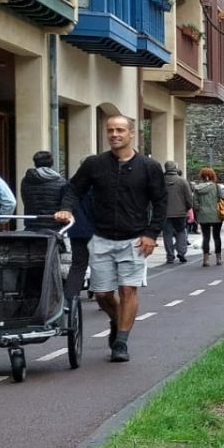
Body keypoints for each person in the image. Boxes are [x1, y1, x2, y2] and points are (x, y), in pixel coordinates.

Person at [57, 114, 165, 363]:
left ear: (131, 134)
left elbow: (160, 202)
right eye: (110, 130)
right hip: (102, 237)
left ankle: (121, 343)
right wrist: (66, 208)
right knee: (103, 294)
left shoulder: (149, 167)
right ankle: (118, 320)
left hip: (135, 239)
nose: (114, 135)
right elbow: (74, 189)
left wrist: (151, 233)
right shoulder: (95, 164)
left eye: (120, 130)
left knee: (128, 289)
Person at [20, 150, 91, 299]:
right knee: (59, 259)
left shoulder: (26, 181)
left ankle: (32, 292)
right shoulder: (60, 182)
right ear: (51, 163)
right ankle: (57, 291)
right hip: (54, 226)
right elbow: (64, 204)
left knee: (33, 258)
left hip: (32, 224)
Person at [192, 166, 224, 266]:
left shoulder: (197, 188)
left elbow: (195, 203)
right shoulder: (216, 187)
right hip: (216, 214)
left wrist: (200, 209)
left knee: (206, 237)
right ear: (212, 176)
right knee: (217, 236)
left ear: (202, 176)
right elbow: (222, 199)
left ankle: (205, 260)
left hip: (203, 215)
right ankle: (218, 258)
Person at [161, 159, 191, 264]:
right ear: (175, 168)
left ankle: (170, 256)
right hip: (180, 212)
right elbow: (188, 198)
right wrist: (188, 208)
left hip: (164, 213)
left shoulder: (160, 181)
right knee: (181, 232)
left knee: (167, 234)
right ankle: (181, 252)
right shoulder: (182, 181)